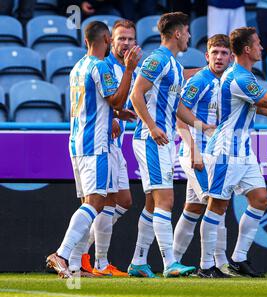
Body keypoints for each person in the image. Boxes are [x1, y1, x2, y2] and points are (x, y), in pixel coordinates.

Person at [201, 26, 267, 278]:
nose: (262, 47)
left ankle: (237, 259)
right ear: (247, 49)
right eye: (258, 44)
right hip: (226, 150)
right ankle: (205, 266)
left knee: (260, 200)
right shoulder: (240, 78)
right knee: (217, 206)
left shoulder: (242, 75)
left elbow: (263, 108)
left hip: (243, 152)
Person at [45, 21, 140, 278]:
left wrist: (117, 114)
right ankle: (61, 254)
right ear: (107, 39)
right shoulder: (100, 67)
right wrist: (129, 70)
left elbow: (98, 102)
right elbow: (115, 98)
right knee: (96, 201)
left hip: (76, 142)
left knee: (91, 203)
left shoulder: (77, 67)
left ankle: (74, 265)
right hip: (95, 144)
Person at [129, 12, 198, 278]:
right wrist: (151, 126)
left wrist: (202, 126)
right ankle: (170, 263)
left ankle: (138, 261)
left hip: (162, 139)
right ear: (178, 33)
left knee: (152, 202)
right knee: (166, 200)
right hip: (151, 139)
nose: (190, 36)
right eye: (187, 31)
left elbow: (178, 107)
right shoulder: (157, 59)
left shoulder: (174, 66)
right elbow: (136, 93)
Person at [173, 34, 234, 278]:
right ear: (207, 56)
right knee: (217, 203)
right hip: (196, 152)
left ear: (230, 57)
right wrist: (193, 150)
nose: (219, 57)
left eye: (224, 53)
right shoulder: (200, 80)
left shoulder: (227, 81)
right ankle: (213, 264)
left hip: (212, 152)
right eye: (215, 53)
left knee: (193, 208)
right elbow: (179, 118)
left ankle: (173, 262)